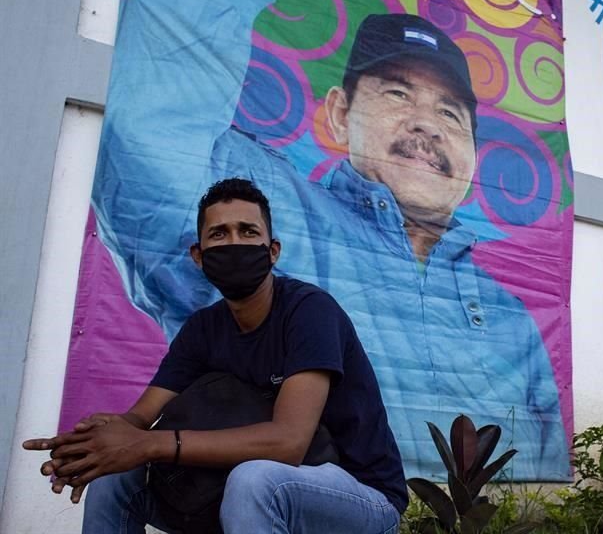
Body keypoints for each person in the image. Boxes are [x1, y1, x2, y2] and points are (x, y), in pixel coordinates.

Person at [92, 0, 568, 479]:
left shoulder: (514, 319)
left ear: (472, 154)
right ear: (340, 116)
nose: (428, 124)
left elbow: (540, 479)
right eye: (397, 94)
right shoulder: (264, 207)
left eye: (450, 111)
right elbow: (146, 133)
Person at [25, 178, 408, 533]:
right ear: (198, 254)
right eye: (219, 234)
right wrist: (94, 444)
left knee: (254, 480)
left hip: (361, 494)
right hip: (239, 491)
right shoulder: (202, 329)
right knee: (115, 476)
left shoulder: (309, 311)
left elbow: (287, 443)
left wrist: (153, 443)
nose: (234, 244)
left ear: (272, 251)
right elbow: (139, 418)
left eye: (248, 231)